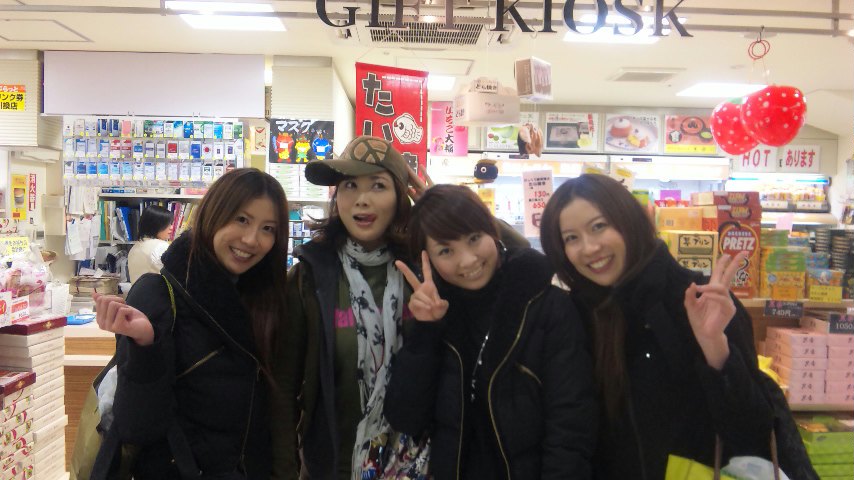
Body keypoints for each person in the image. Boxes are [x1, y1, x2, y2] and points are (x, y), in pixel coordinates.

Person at [539, 173, 778, 479]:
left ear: (629, 222)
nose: (589, 248)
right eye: (571, 238)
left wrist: (715, 348)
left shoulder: (700, 300)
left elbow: (753, 434)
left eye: (598, 226)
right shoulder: (576, 314)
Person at [385, 184, 596, 479]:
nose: (468, 260)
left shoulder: (546, 306)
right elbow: (406, 418)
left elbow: (570, 425)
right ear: (427, 259)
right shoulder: (435, 314)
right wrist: (426, 332)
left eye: (474, 238)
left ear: (492, 232)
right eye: (446, 250)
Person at [92, 168, 289, 479]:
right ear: (212, 215)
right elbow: (136, 427)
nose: (252, 239)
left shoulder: (266, 300)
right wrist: (145, 346)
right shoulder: (157, 294)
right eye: (241, 220)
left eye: (268, 228)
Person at [271, 135, 429, 480]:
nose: (362, 199)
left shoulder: (424, 270)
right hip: (332, 468)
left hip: (416, 467)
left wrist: (436, 205)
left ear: (401, 196)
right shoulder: (309, 277)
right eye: (349, 186)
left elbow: (510, 263)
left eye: (378, 185)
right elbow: (282, 388)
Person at [127, 205, 173, 283]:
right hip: (158, 290)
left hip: (138, 290)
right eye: (167, 224)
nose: (171, 227)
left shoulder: (134, 247)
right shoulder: (161, 246)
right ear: (156, 225)